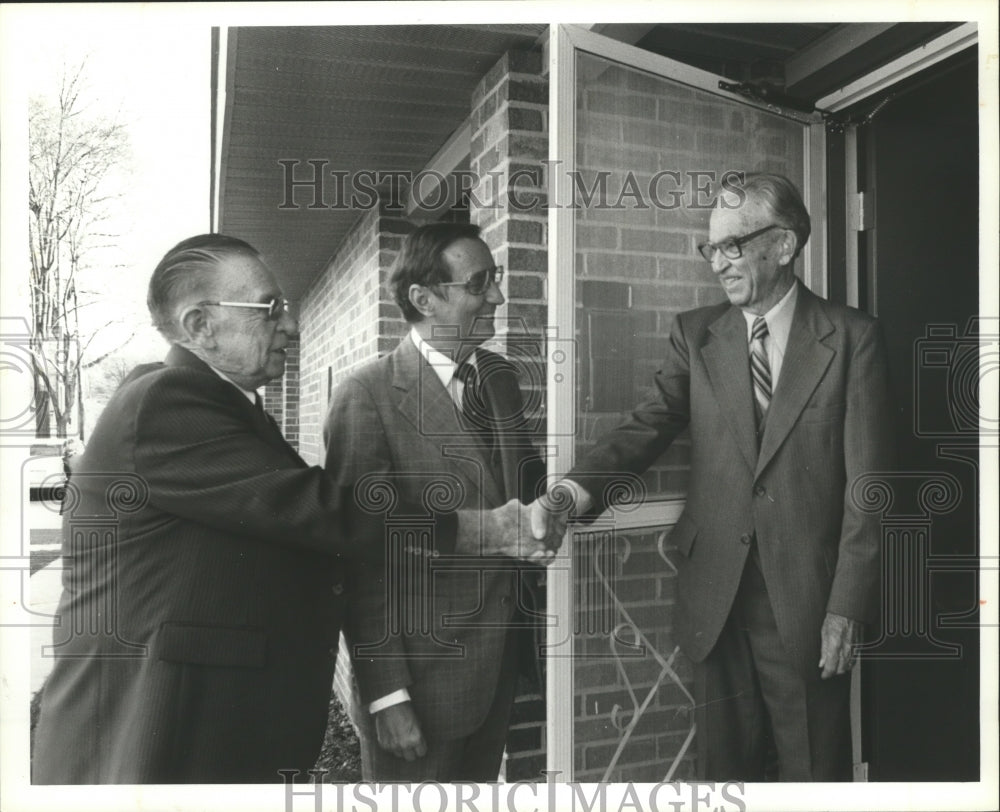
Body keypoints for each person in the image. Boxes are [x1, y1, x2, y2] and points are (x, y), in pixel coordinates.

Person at [32, 233, 552, 784]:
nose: (291, 325)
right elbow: (328, 516)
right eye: (269, 308)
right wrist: (488, 529)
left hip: (207, 727)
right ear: (199, 325)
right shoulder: (164, 403)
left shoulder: (227, 407)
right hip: (150, 730)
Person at [534, 174, 893, 781]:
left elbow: (869, 491)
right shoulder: (696, 335)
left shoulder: (853, 338)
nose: (717, 264)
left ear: (783, 244)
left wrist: (847, 605)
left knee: (814, 768)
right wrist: (569, 494)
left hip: (807, 597)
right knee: (725, 771)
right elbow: (646, 427)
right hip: (716, 592)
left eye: (732, 245)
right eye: (711, 249)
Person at [323, 223, 546, 781]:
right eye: (479, 283)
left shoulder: (497, 380)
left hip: (497, 672)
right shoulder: (366, 396)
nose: (496, 295)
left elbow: (523, 488)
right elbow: (359, 557)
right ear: (424, 298)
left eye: (494, 279)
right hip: (422, 687)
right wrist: (386, 696)